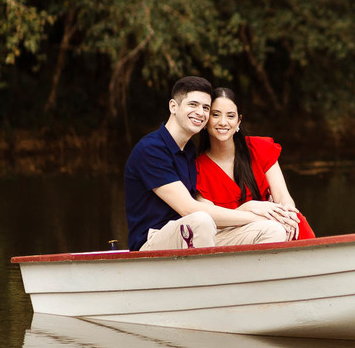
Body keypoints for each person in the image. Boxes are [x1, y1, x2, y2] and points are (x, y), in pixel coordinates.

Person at [124, 76, 294, 251]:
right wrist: (253, 214)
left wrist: (267, 218)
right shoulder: (151, 150)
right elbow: (189, 209)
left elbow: (201, 207)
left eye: (205, 107)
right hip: (152, 242)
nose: (200, 112)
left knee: (272, 229)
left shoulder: (188, 150)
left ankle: (245, 271)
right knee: (201, 220)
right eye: (193, 104)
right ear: (173, 106)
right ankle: (208, 269)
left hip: (191, 234)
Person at [196, 87, 315, 240]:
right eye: (216, 115)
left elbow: (282, 196)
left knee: (295, 220)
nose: (223, 122)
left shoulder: (259, 148)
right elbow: (209, 221)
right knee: (274, 229)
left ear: (238, 121)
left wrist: (288, 214)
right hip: (234, 238)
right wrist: (247, 208)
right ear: (206, 120)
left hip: (276, 226)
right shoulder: (197, 167)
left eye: (230, 116)